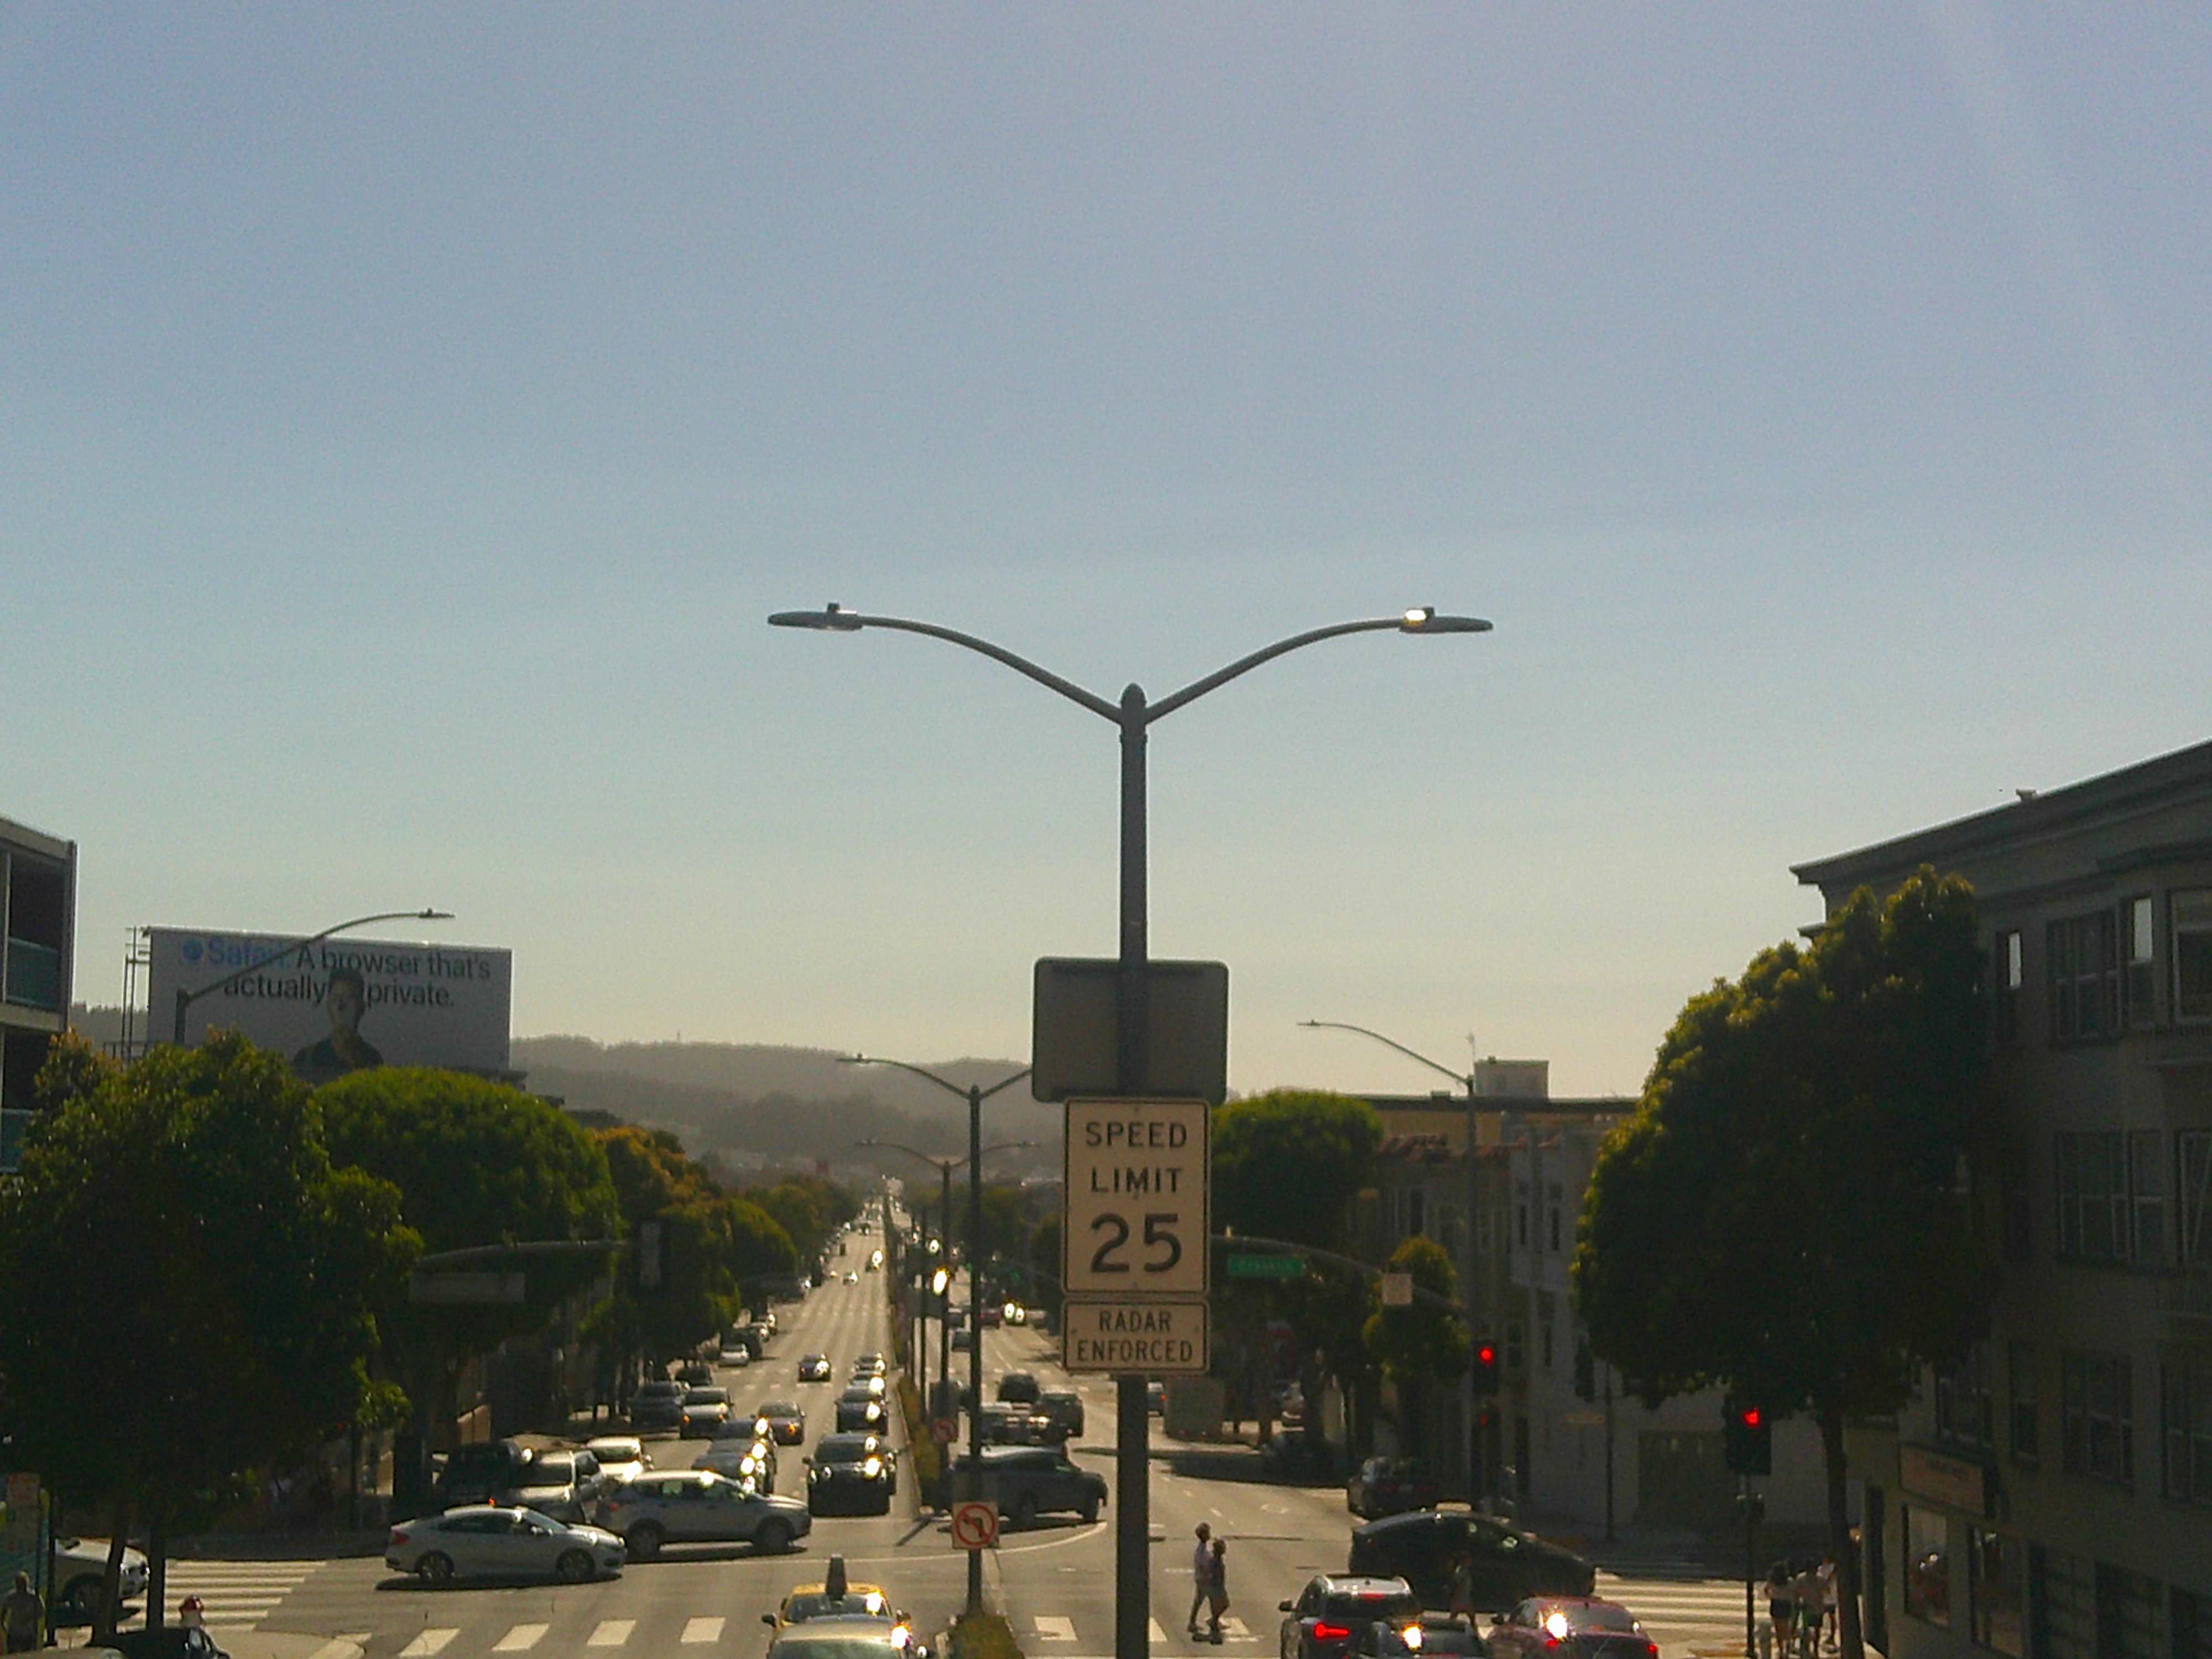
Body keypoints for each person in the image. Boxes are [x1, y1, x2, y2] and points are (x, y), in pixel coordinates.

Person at [292, 966, 383, 1082]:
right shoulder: (307, 1059)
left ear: (361, 1008)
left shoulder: (372, 1059)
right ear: (328, 1006)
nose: (340, 1006)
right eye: (336, 999)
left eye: (348, 999)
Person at [3, 1571, 43, 1654]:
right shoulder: (12, 1597)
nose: (20, 1586)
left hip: (28, 1631)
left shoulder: (33, 1597)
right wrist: (3, 1623)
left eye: (22, 1583)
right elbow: (5, 1610)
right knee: (13, 1653)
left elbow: (41, 1611)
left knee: (27, 1653)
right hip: (14, 1631)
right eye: (18, 1584)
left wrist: (31, 1618)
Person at [1764, 1562, 1795, 1659]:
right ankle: (1788, 1645)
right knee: (1786, 1626)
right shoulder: (1789, 1581)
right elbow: (1794, 1591)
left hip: (1776, 1603)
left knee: (1778, 1629)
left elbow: (1766, 1590)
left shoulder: (1772, 1581)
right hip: (1786, 1604)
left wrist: (1771, 1596)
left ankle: (1781, 1649)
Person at [1186, 1524, 1213, 1636]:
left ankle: (1212, 1619)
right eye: (1207, 1533)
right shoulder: (1201, 1549)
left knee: (1204, 1600)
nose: (1209, 1535)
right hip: (1203, 1579)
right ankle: (1193, 1622)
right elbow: (1202, 1564)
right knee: (1202, 1600)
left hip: (1203, 1578)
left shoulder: (1203, 1548)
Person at [1206, 1536, 1230, 1644]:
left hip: (1216, 1587)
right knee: (1223, 1604)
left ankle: (1214, 1621)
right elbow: (1215, 1575)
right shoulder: (1215, 1561)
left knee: (1218, 1606)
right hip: (1216, 1587)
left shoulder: (1217, 1560)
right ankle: (1214, 1622)